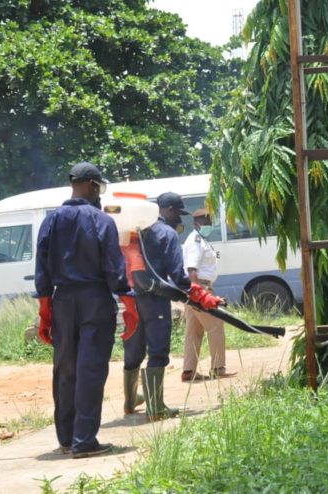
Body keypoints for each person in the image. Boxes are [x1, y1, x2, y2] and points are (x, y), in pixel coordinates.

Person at [35, 161, 138, 459]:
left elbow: (41, 269)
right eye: (99, 187)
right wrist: (129, 308)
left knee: (65, 369)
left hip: (62, 300)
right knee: (90, 369)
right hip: (95, 299)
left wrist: (45, 312)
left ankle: (67, 438)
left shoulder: (51, 221)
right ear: (93, 185)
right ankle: (84, 441)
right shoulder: (101, 220)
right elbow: (114, 270)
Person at [122, 191, 192, 420]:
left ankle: (131, 402)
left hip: (130, 300)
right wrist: (187, 291)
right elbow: (177, 273)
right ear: (168, 209)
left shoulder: (134, 231)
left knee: (134, 350)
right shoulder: (166, 233)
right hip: (154, 299)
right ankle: (156, 408)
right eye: (176, 213)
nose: (177, 218)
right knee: (157, 350)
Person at [181, 208, 236, 381]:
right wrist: (199, 294)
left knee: (194, 331)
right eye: (206, 222)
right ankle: (218, 368)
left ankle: (188, 371)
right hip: (200, 289)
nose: (209, 225)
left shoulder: (200, 239)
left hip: (194, 290)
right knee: (216, 325)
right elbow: (191, 270)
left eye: (210, 221)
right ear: (196, 223)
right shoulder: (196, 240)